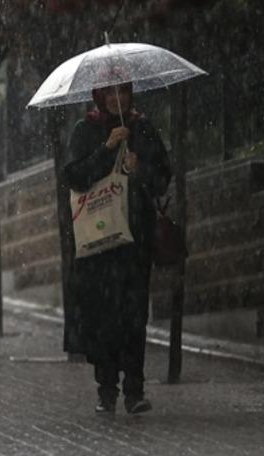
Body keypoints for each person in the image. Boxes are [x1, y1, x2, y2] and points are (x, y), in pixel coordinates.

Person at [64, 82, 172, 415]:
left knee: (134, 315)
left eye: (122, 91)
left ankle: (134, 389)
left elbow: (162, 179)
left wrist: (142, 169)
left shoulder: (142, 128)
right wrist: (106, 149)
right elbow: (74, 176)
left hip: (135, 240)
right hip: (100, 243)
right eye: (109, 93)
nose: (116, 99)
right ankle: (106, 388)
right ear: (100, 96)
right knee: (104, 316)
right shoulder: (86, 130)